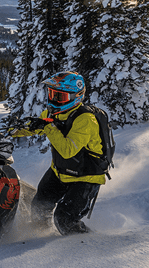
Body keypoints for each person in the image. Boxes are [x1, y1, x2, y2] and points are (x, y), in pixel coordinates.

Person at [10, 71, 105, 235]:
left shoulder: (86, 120)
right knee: (39, 207)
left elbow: (68, 150)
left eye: (60, 97)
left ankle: (88, 245)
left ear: (76, 96)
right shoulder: (54, 113)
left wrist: (47, 126)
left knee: (65, 219)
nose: (54, 100)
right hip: (60, 171)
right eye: (52, 94)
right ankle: (39, 239)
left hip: (85, 177)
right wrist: (11, 130)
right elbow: (38, 126)